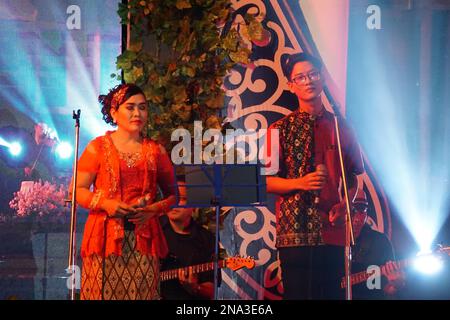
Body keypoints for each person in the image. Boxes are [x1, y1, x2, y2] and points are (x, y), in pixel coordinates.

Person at [266, 52, 365, 299]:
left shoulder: (341, 126)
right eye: (300, 77)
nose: (308, 80)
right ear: (291, 86)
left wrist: (346, 204)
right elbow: (265, 181)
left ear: (321, 79)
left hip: (332, 230)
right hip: (294, 234)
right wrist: (300, 183)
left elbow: (353, 177)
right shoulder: (279, 129)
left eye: (312, 74)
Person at [74, 83, 176, 300]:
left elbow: (173, 195)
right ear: (114, 112)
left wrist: (152, 210)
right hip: (104, 240)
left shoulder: (156, 151)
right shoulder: (98, 147)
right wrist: (106, 204)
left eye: (143, 107)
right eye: (130, 107)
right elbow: (77, 190)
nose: (137, 113)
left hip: (145, 240)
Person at [159, 180, 215, 300]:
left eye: (182, 199)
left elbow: (212, 290)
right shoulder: (153, 229)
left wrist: (196, 288)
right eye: (170, 198)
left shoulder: (207, 239)